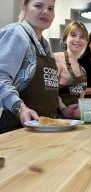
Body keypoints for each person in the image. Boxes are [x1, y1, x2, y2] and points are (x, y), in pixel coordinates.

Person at [0, 0, 79, 133]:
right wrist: (21, 109)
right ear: (24, 7)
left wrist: (63, 109)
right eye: (38, 6)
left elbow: (50, 86)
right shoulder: (16, 33)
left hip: (45, 126)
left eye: (50, 8)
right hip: (18, 128)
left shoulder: (45, 45)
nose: (46, 12)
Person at [54, 21, 88, 106]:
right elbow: (50, 92)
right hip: (60, 115)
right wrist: (63, 109)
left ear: (86, 42)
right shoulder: (56, 59)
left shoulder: (83, 68)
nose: (77, 40)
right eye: (73, 35)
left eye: (82, 37)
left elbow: (82, 97)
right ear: (65, 39)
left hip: (76, 116)